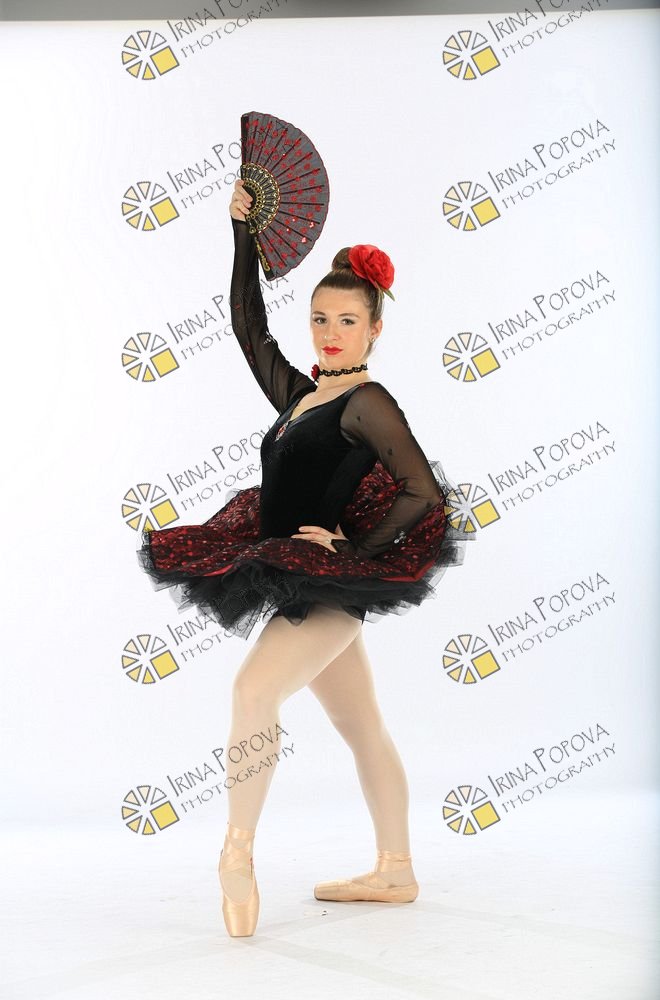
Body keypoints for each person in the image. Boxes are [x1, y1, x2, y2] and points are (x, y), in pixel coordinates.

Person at [137, 179, 473, 937]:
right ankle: (396, 869)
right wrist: (243, 237)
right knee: (362, 725)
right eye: (320, 318)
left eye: (347, 321)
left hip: (328, 586)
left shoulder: (368, 402)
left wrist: (356, 548)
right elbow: (247, 327)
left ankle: (236, 854)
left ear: (375, 328)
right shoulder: (301, 397)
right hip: (294, 571)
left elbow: (421, 490)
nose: (330, 333)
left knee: (253, 691)